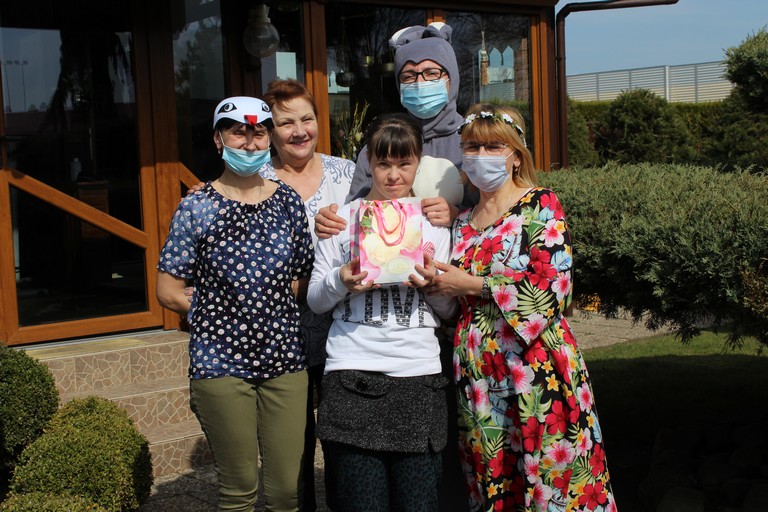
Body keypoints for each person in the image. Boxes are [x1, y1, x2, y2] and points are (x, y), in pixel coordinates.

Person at [421, 103, 617, 511]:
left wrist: (473, 284)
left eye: (494, 146)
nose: (481, 156)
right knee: (495, 478)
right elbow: (455, 305)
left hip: (535, 369)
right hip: (479, 373)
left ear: (515, 155)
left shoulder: (540, 204)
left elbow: (553, 288)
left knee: (551, 479)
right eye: (472, 147)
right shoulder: (462, 222)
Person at [156, 96, 313, 512]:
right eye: (238, 132)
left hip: (285, 360)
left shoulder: (288, 202)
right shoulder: (197, 206)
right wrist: (220, 313)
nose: (249, 142)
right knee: (239, 489)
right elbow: (168, 290)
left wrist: (266, 306)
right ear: (218, 139)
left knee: (286, 491)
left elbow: (301, 276)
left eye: (258, 132)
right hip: (220, 362)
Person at [306, 113, 457, 511]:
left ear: (418, 163)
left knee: (418, 503)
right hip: (351, 374)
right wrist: (341, 279)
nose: (393, 175)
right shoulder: (340, 221)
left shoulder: (433, 225)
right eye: (383, 163)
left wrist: (431, 284)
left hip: (417, 376)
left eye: (404, 163)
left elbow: (448, 310)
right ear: (368, 162)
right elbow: (316, 300)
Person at [259, 78, 356, 512]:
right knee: (292, 446)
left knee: (341, 441)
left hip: (343, 333)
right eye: (286, 123)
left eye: (307, 119)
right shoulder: (255, 180)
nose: (299, 131)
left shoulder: (348, 174)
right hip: (281, 336)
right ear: (270, 131)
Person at [314, 21, 465, 238]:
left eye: (431, 73)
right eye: (408, 76)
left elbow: (494, 214)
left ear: (452, 77)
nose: (420, 82)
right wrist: (333, 223)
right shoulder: (380, 144)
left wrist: (459, 216)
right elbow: (356, 213)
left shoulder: (472, 141)